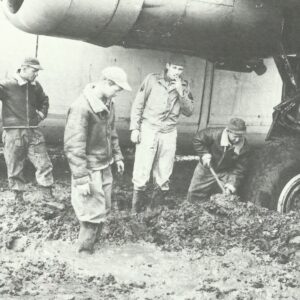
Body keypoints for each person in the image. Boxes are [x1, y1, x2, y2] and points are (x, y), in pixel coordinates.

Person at [64, 66, 131, 253]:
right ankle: (85, 253)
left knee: (103, 208)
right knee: (91, 212)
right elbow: (73, 145)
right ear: (107, 83)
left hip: (105, 165)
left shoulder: (108, 103)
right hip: (90, 168)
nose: (117, 94)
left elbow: (111, 132)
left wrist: (117, 156)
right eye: (117, 89)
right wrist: (81, 178)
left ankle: (94, 245)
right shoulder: (81, 107)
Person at [130, 53, 194, 213]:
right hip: (149, 128)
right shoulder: (152, 80)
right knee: (142, 168)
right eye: (174, 67)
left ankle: (154, 209)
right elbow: (138, 104)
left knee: (164, 170)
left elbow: (189, 111)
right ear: (167, 66)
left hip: (169, 132)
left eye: (180, 69)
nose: (177, 72)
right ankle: (136, 210)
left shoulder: (184, 86)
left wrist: (181, 93)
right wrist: (135, 128)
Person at [0, 56, 63, 209]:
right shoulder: (7, 84)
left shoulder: (35, 86)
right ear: (24, 68)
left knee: (44, 163)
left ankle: (47, 197)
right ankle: (18, 198)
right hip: (13, 132)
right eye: (34, 71)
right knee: (15, 164)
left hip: (33, 131)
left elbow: (44, 100)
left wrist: (41, 114)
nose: (36, 74)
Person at [187, 118, 251, 202]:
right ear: (228, 131)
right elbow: (198, 139)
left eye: (240, 136)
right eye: (235, 136)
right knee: (195, 193)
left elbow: (240, 169)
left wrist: (232, 183)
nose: (238, 140)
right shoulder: (214, 134)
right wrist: (204, 154)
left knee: (230, 195)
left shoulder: (244, 147)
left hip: (226, 171)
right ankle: (194, 209)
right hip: (207, 168)